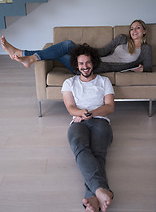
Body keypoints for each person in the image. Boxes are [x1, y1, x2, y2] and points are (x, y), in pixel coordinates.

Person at [61, 43, 114, 212]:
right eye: (81, 64)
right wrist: (81, 113)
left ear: (94, 63)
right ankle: (102, 192)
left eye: (88, 63)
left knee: (98, 153)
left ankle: (93, 197)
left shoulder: (104, 81)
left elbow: (110, 106)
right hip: (78, 122)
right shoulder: (69, 83)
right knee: (80, 148)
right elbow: (70, 108)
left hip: (100, 121)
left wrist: (91, 112)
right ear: (76, 65)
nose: (85, 67)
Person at [1, 19, 152, 73]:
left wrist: (141, 70)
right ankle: (28, 57)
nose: (133, 31)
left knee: (63, 50)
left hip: (94, 67)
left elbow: (149, 67)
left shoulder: (146, 50)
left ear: (144, 31)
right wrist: (84, 49)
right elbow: (104, 51)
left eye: (138, 28)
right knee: (67, 45)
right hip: (92, 58)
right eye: (132, 28)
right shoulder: (122, 39)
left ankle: (24, 54)